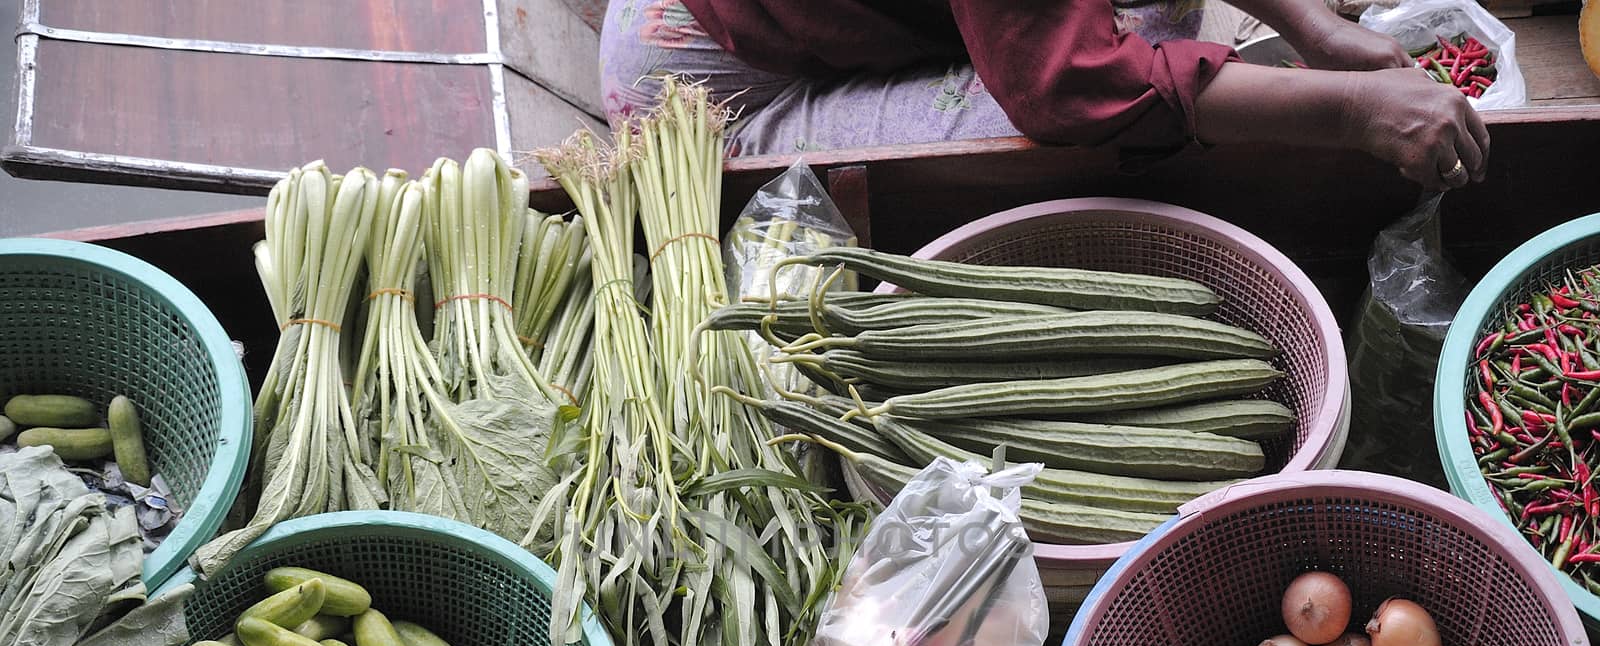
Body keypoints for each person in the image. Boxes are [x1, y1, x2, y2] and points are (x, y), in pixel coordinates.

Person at [599, 0, 1489, 191]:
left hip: (839, 20)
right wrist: (1348, 110)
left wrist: (1315, 33)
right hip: (707, 88)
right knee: (1152, 76)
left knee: (1162, 34)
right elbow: (1068, 92)